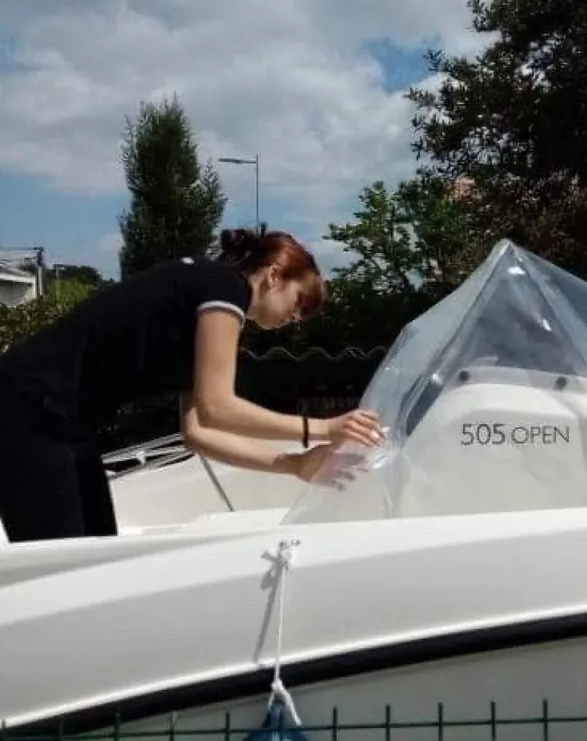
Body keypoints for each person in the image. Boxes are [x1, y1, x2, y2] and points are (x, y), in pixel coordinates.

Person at [0, 228, 384, 543]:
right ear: (273, 275)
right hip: (28, 410)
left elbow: (199, 431)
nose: (296, 319)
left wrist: (295, 464)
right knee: (62, 568)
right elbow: (219, 406)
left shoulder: (210, 306)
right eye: (299, 302)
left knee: (96, 555)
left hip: (62, 424)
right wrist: (322, 427)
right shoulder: (223, 288)